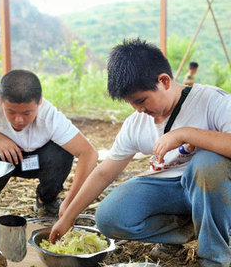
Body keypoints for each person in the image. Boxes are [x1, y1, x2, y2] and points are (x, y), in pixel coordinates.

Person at [50, 39, 231, 267]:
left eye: (141, 100)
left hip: (211, 187)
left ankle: (214, 259)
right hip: (169, 188)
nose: (139, 110)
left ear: (164, 81)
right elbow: (104, 173)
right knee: (109, 217)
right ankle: (191, 228)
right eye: (132, 104)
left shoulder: (212, 101)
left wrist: (186, 134)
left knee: (208, 163)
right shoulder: (137, 123)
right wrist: (69, 216)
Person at [0, 69, 98, 216]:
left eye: (27, 113)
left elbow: (88, 153)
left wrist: (71, 203)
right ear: (1, 100)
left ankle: (46, 200)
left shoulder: (49, 117)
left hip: (31, 162)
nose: (18, 120)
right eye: (11, 112)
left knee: (62, 150)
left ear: (39, 101)